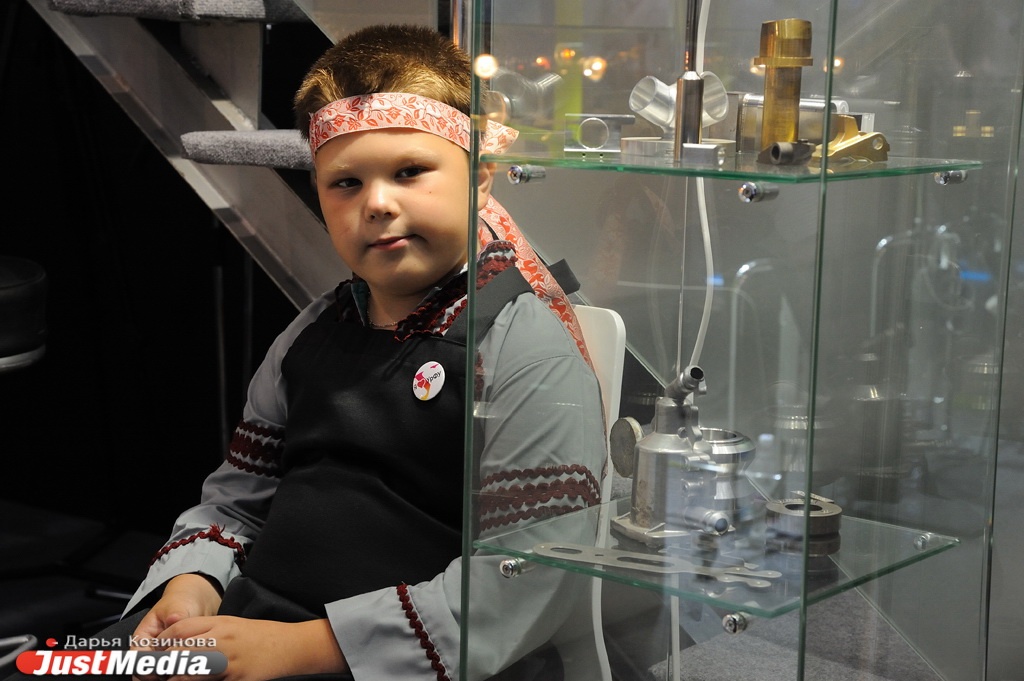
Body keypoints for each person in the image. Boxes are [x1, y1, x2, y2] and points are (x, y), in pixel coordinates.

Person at [7, 23, 607, 681]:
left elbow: (525, 577)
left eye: (410, 171)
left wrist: (297, 648)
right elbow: (236, 500)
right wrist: (190, 585)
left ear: (481, 178)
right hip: (252, 622)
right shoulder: (311, 333)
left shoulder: (529, 354)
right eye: (345, 183)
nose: (377, 203)